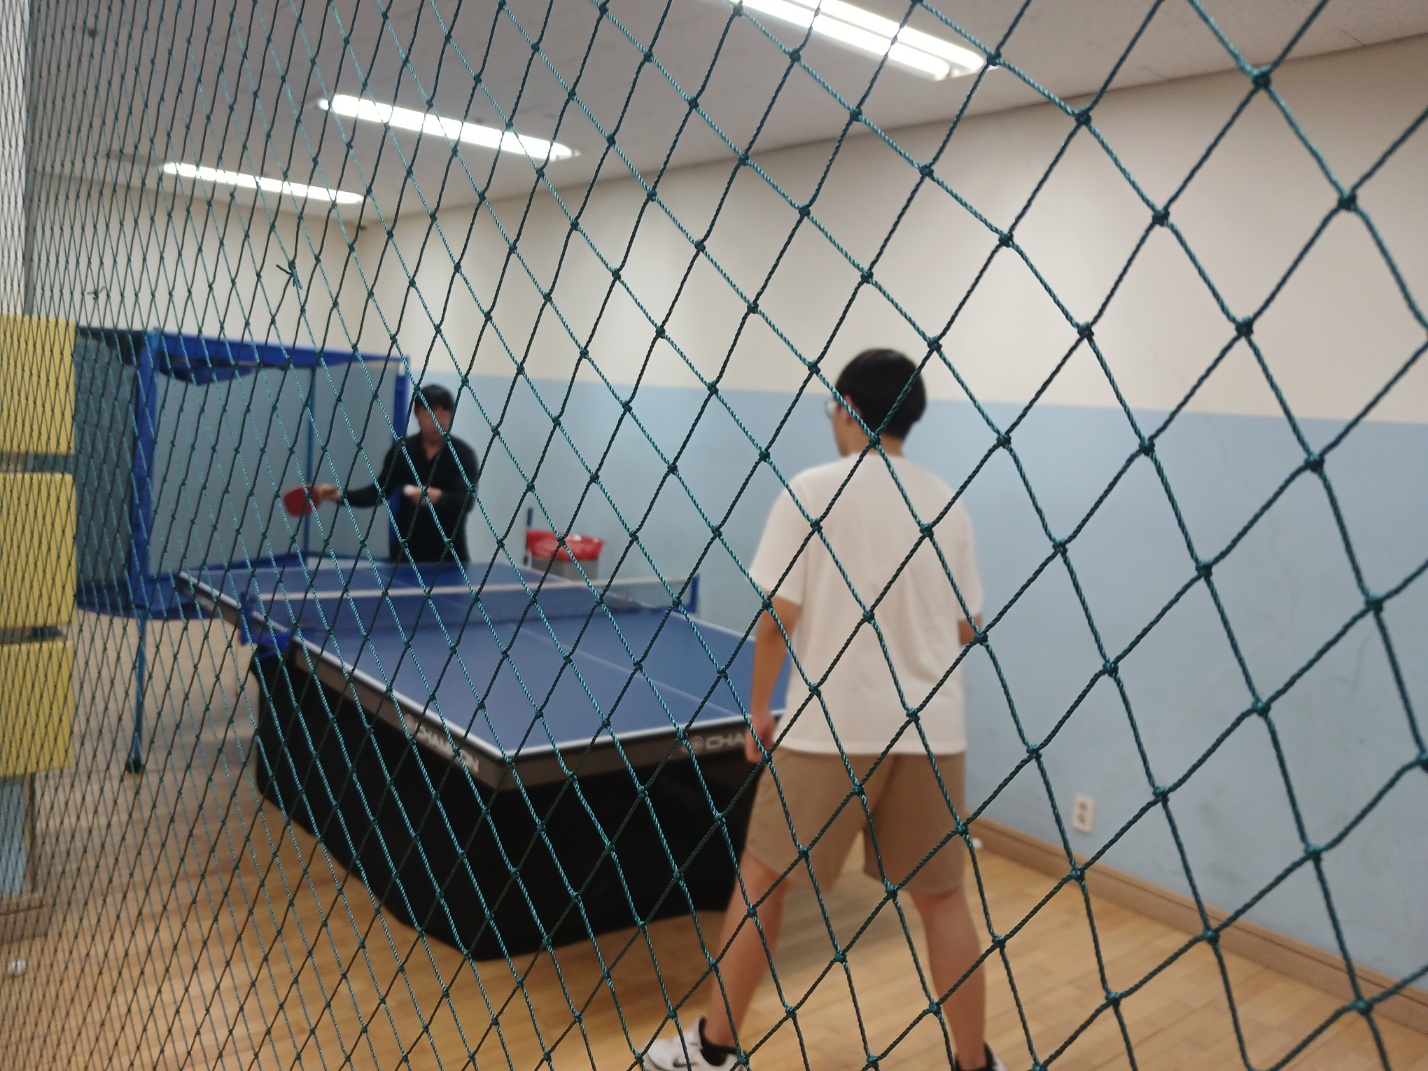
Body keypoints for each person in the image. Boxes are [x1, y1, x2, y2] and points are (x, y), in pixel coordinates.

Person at [641, 349, 1001, 1071]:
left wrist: (758, 710)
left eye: (832, 406)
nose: (831, 418)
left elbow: (777, 619)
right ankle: (976, 1063)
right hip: (932, 733)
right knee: (943, 899)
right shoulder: (947, 502)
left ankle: (714, 1050)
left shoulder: (811, 491)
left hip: (831, 728)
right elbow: (967, 626)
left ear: (850, 409)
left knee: (761, 880)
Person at [305, 384, 479, 563]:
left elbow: (467, 501)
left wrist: (439, 497)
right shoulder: (402, 451)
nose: (438, 421)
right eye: (430, 413)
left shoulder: (462, 454)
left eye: (444, 414)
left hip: (449, 556)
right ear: (417, 414)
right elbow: (377, 493)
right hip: (406, 555)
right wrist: (338, 495)